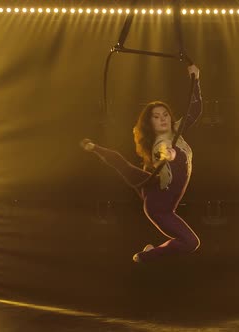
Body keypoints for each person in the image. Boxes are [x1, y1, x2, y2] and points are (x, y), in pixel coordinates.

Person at [80, 64, 202, 263]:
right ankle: (145, 256)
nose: (162, 119)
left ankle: (149, 253)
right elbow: (162, 153)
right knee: (190, 242)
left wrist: (196, 80)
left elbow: (195, 110)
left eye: (165, 115)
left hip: (163, 197)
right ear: (150, 123)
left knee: (129, 170)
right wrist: (169, 155)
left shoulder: (176, 131)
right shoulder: (159, 144)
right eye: (156, 117)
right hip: (159, 208)